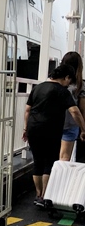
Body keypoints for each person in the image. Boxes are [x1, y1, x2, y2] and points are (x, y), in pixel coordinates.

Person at [22, 63, 85, 206]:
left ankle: (38, 195)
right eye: (70, 80)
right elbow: (74, 111)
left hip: (33, 128)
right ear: (66, 77)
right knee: (49, 162)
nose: (69, 83)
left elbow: (27, 110)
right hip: (50, 130)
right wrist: (83, 129)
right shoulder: (62, 91)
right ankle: (46, 195)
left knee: (37, 161)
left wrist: (25, 129)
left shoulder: (38, 87)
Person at [59, 51, 85, 161]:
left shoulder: (55, 82)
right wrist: (83, 128)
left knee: (49, 160)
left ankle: (53, 177)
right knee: (64, 157)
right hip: (70, 124)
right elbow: (82, 109)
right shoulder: (80, 85)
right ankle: (64, 178)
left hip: (52, 123)